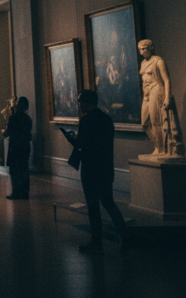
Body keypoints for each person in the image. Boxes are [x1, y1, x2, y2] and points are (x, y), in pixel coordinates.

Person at [61, 90, 131, 254]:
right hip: (105, 167)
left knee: (93, 206)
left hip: (91, 168)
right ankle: (125, 235)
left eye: (80, 101)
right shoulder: (107, 119)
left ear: (86, 102)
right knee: (108, 202)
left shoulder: (86, 120)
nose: (79, 105)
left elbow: (83, 144)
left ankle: (96, 242)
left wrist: (72, 139)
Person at [2, 96, 33, 199]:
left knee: (15, 170)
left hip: (15, 147)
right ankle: (25, 193)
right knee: (24, 169)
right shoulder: (28, 119)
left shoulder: (13, 118)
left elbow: (7, 133)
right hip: (24, 147)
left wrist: (3, 132)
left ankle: (16, 192)